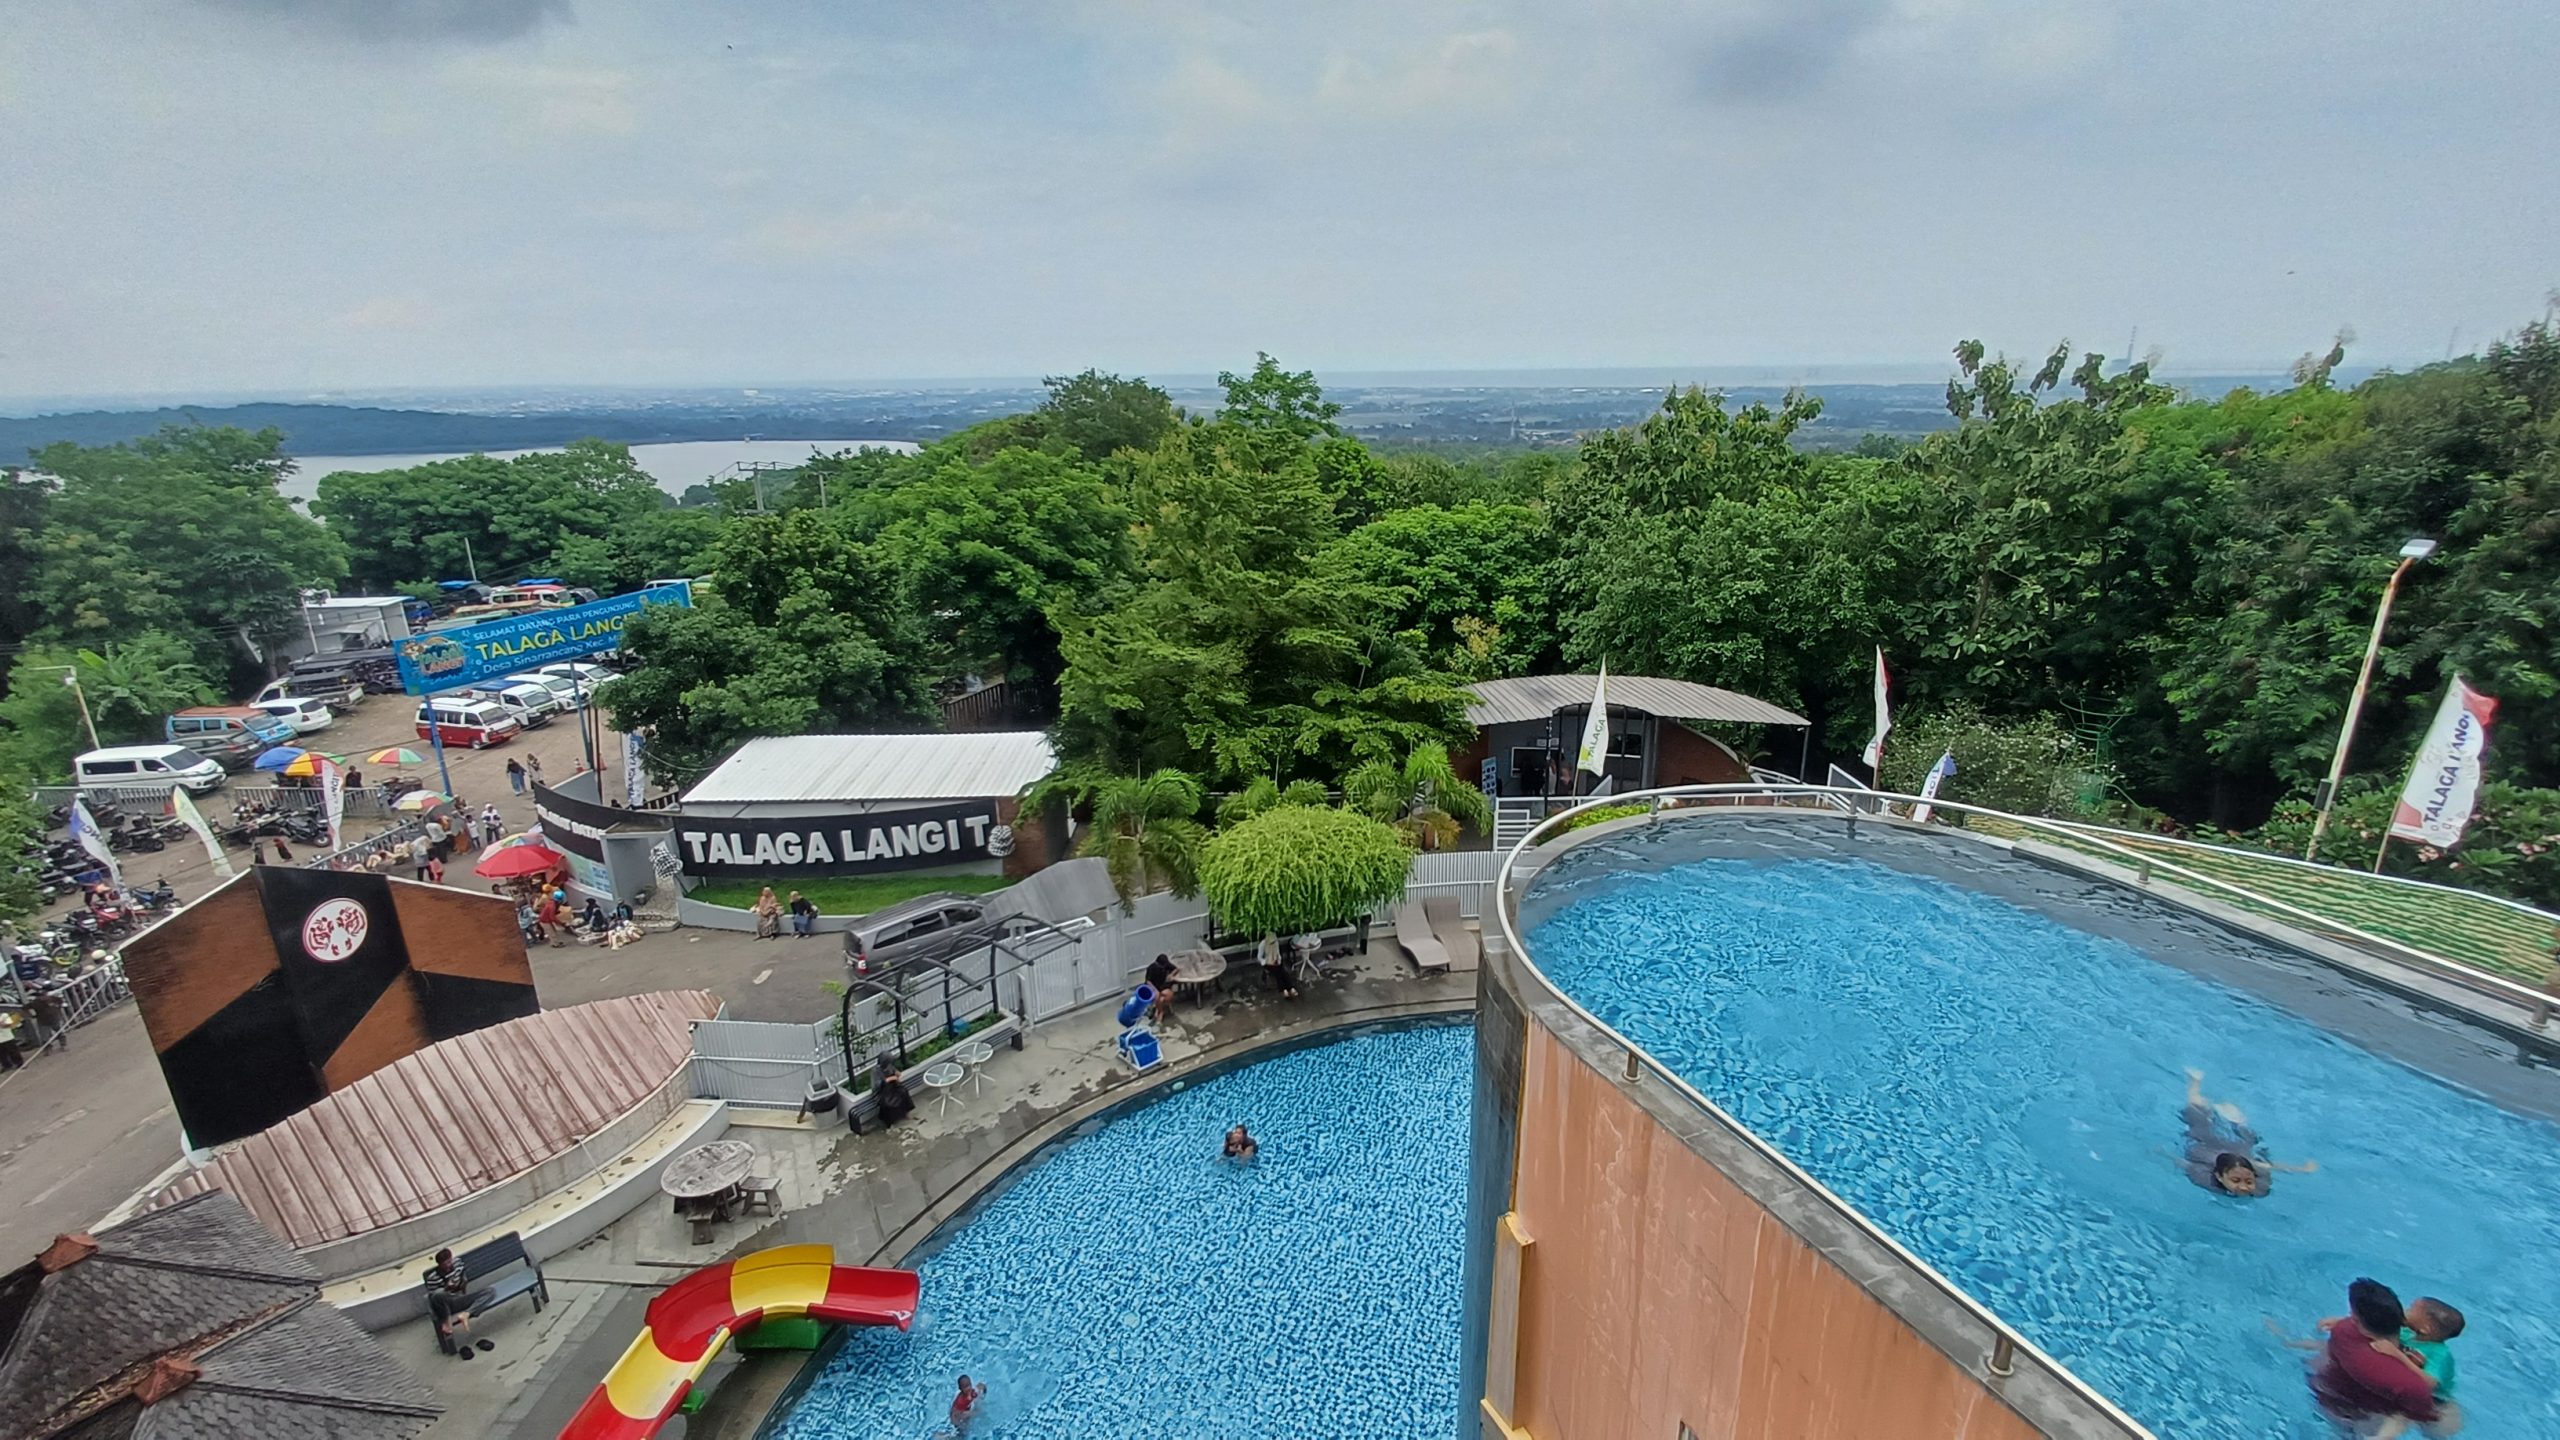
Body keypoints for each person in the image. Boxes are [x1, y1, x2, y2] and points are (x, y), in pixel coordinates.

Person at [2310, 1278, 2443, 1435]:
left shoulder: (2341, 1330)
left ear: (2355, 1319)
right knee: (2447, 1416)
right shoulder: (2410, 1383)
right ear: (2400, 1317)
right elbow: (2424, 1415)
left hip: (2324, 1392)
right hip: (2365, 1418)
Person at [2179, 1069, 2313, 1196]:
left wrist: (2302, 1169)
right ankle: (2195, 1084)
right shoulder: (2203, 1177)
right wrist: (2302, 1169)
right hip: (2209, 1149)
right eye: (2235, 1180)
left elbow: (2269, 1167)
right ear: (2219, 1177)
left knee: (2203, 1126)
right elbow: (2182, 1163)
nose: (2243, 1187)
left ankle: (2234, 1118)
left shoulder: (2260, 1187)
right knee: (2198, 1121)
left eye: (2249, 1182)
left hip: (2235, 1152)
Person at [425, 1247, 481, 1357]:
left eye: (449, 1261)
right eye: (445, 1264)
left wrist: (462, 1284)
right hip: (446, 1305)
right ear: (439, 1265)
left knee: (490, 1292)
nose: (448, 1265)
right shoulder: (433, 1278)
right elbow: (434, 1298)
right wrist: (446, 1288)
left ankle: (467, 1314)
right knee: (439, 1294)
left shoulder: (457, 1263)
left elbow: (463, 1275)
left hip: (460, 1299)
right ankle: (447, 1323)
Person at [1260, 933, 1297, 1000]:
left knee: (1282, 970)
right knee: (1277, 971)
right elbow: (1259, 957)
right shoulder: (1262, 945)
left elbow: (1278, 953)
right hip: (1268, 963)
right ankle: (1285, 988)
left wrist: (1278, 959)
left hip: (1276, 960)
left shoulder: (1275, 942)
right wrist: (1268, 961)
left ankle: (1289, 988)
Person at [1146, 952, 1178, 1022]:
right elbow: (1148, 981)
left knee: (1162, 997)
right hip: (1153, 986)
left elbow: (1176, 969)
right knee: (1159, 997)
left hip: (1162, 986)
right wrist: (1155, 990)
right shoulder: (1151, 968)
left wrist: (1171, 975)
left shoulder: (1166, 965)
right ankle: (1159, 1012)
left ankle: (1158, 1011)